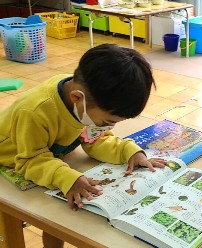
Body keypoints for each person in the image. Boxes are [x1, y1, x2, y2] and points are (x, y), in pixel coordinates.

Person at [0, 44, 166, 247]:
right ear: (77, 98)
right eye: (107, 122)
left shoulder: (84, 98)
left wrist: (129, 152)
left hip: (49, 156)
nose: (110, 127)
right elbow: (30, 160)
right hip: (10, 159)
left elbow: (96, 139)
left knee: (61, 210)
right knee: (45, 212)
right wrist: (67, 177)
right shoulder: (35, 111)